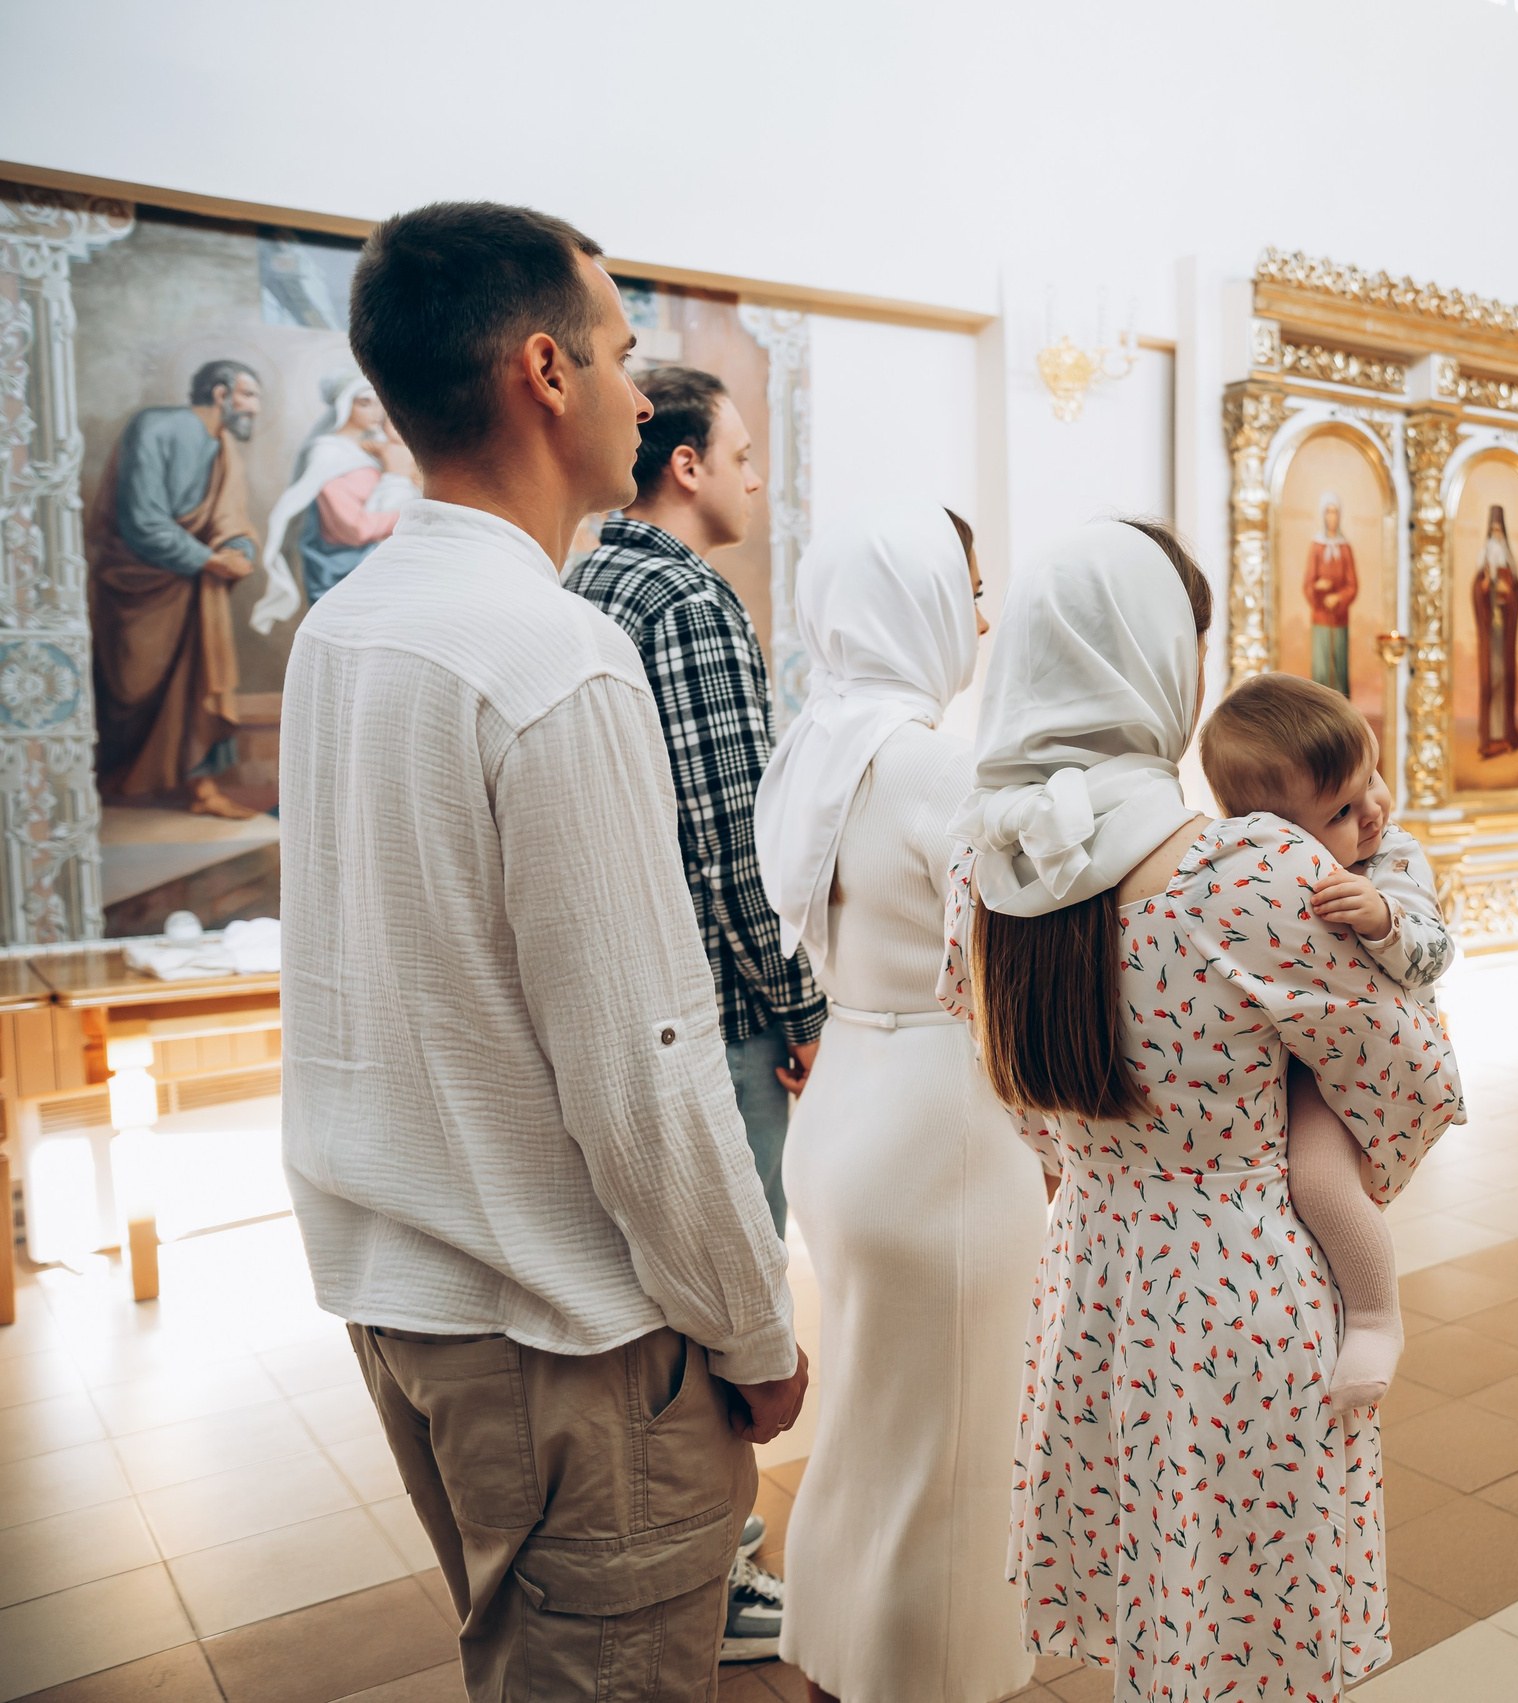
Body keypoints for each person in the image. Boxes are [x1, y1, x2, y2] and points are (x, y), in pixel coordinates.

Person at [282, 201, 806, 1702]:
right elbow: (644, 1066)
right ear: (544, 372)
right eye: (624, 355)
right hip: (561, 1327)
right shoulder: (553, 653)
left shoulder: (350, 621)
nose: (647, 396)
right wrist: (754, 1323)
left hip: (411, 1300)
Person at [940, 520, 1462, 1702]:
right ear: (1156, 660)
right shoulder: (1249, 873)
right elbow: (1411, 1079)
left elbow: (1021, 1101)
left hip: (1092, 1276)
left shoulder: (986, 868)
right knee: (1252, 1630)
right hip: (1241, 1287)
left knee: (1155, 1604)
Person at [752, 503, 1048, 1703]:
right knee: (953, 1448)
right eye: (967, 587)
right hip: (941, 1120)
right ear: (912, 599)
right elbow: (1000, 967)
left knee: (877, 1429)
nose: (981, 615)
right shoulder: (931, 760)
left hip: (845, 1099)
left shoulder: (817, 741)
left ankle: (839, 1659)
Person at [566, 365, 825, 1246]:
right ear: (686, 465)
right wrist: (801, 1010)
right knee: (740, 1265)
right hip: (723, 1008)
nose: (754, 480)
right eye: (742, 456)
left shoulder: (584, 581)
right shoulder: (687, 602)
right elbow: (732, 839)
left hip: (621, 992)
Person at [1198, 671, 1460, 1411]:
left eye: (1371, 777)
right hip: (1282, 1050)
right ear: (1277, 835)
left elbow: (1435, 952)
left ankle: (1378, 1315)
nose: (1372, 809)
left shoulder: (1393, 859)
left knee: (1317, 1178)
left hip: (1351, 1067)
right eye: (1341, 809)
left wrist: (1383, 918)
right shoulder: (1270, 868)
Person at [89, 357, 263, 817]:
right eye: (249, 395)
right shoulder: (154, 427)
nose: (256, 408)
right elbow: (140, 519)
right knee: (131, 685)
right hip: (136, 583)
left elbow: (232, 520)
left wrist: (240, 551)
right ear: (221, 394)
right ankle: (111, 786)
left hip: (196, 590)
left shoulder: (224, 448)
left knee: (198, 679)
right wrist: (208, 559)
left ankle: (201, 789)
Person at [254, 373, 420, 631]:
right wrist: (412, 516)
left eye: (379, 402)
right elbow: (355, 530)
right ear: (344, 405)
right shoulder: (329, 455)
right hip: (342, 573)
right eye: (365, 402)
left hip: (376, 569)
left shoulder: (374, 449)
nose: (377, 411)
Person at [1473, 504, 1518, 757]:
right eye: (1492, 529)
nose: (1495, 534)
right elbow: (1476, 593)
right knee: (1488, 681)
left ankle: (1505, 734)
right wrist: (1484, 588)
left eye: (1499, 529)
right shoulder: (1483, 562)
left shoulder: (1508, 565)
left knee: (1504, 679)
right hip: (1489, 633)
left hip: (1504, 634)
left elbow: (1516, 594)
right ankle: (1488, 737)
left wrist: (1507, 594)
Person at [1303, 493, 1358, 697]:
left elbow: (1353, 585)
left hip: (1340, 618)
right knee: (1322, 667)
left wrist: (1339, 598)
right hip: (1320, 617)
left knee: (1339, 667)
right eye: (1328, 512)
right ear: (1323, 515)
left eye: (1335, 512)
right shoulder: (1317, 547)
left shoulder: (1345, 548)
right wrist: (1318, 588)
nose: (1331, 517)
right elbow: (1308, 583)